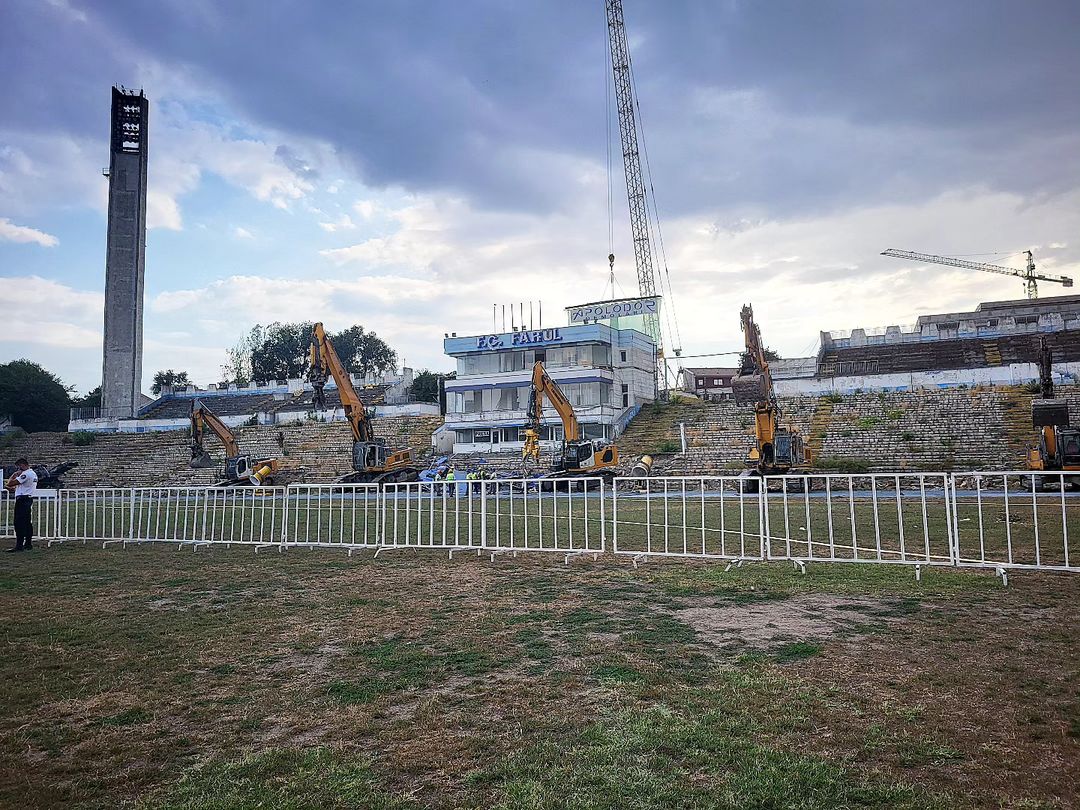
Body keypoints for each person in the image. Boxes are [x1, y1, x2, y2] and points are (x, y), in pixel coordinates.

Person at [5, 458, 37, 552]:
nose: (18, 469)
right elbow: (24, 487)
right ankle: (28, 544)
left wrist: (14, 475)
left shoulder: (26, 474)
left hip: (22, 500)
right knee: (27, 522)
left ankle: (19, 546)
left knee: (19, 523)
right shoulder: (33, 473)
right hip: (27, 498)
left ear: (22, 465)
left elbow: (10, 483)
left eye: (19, 467)